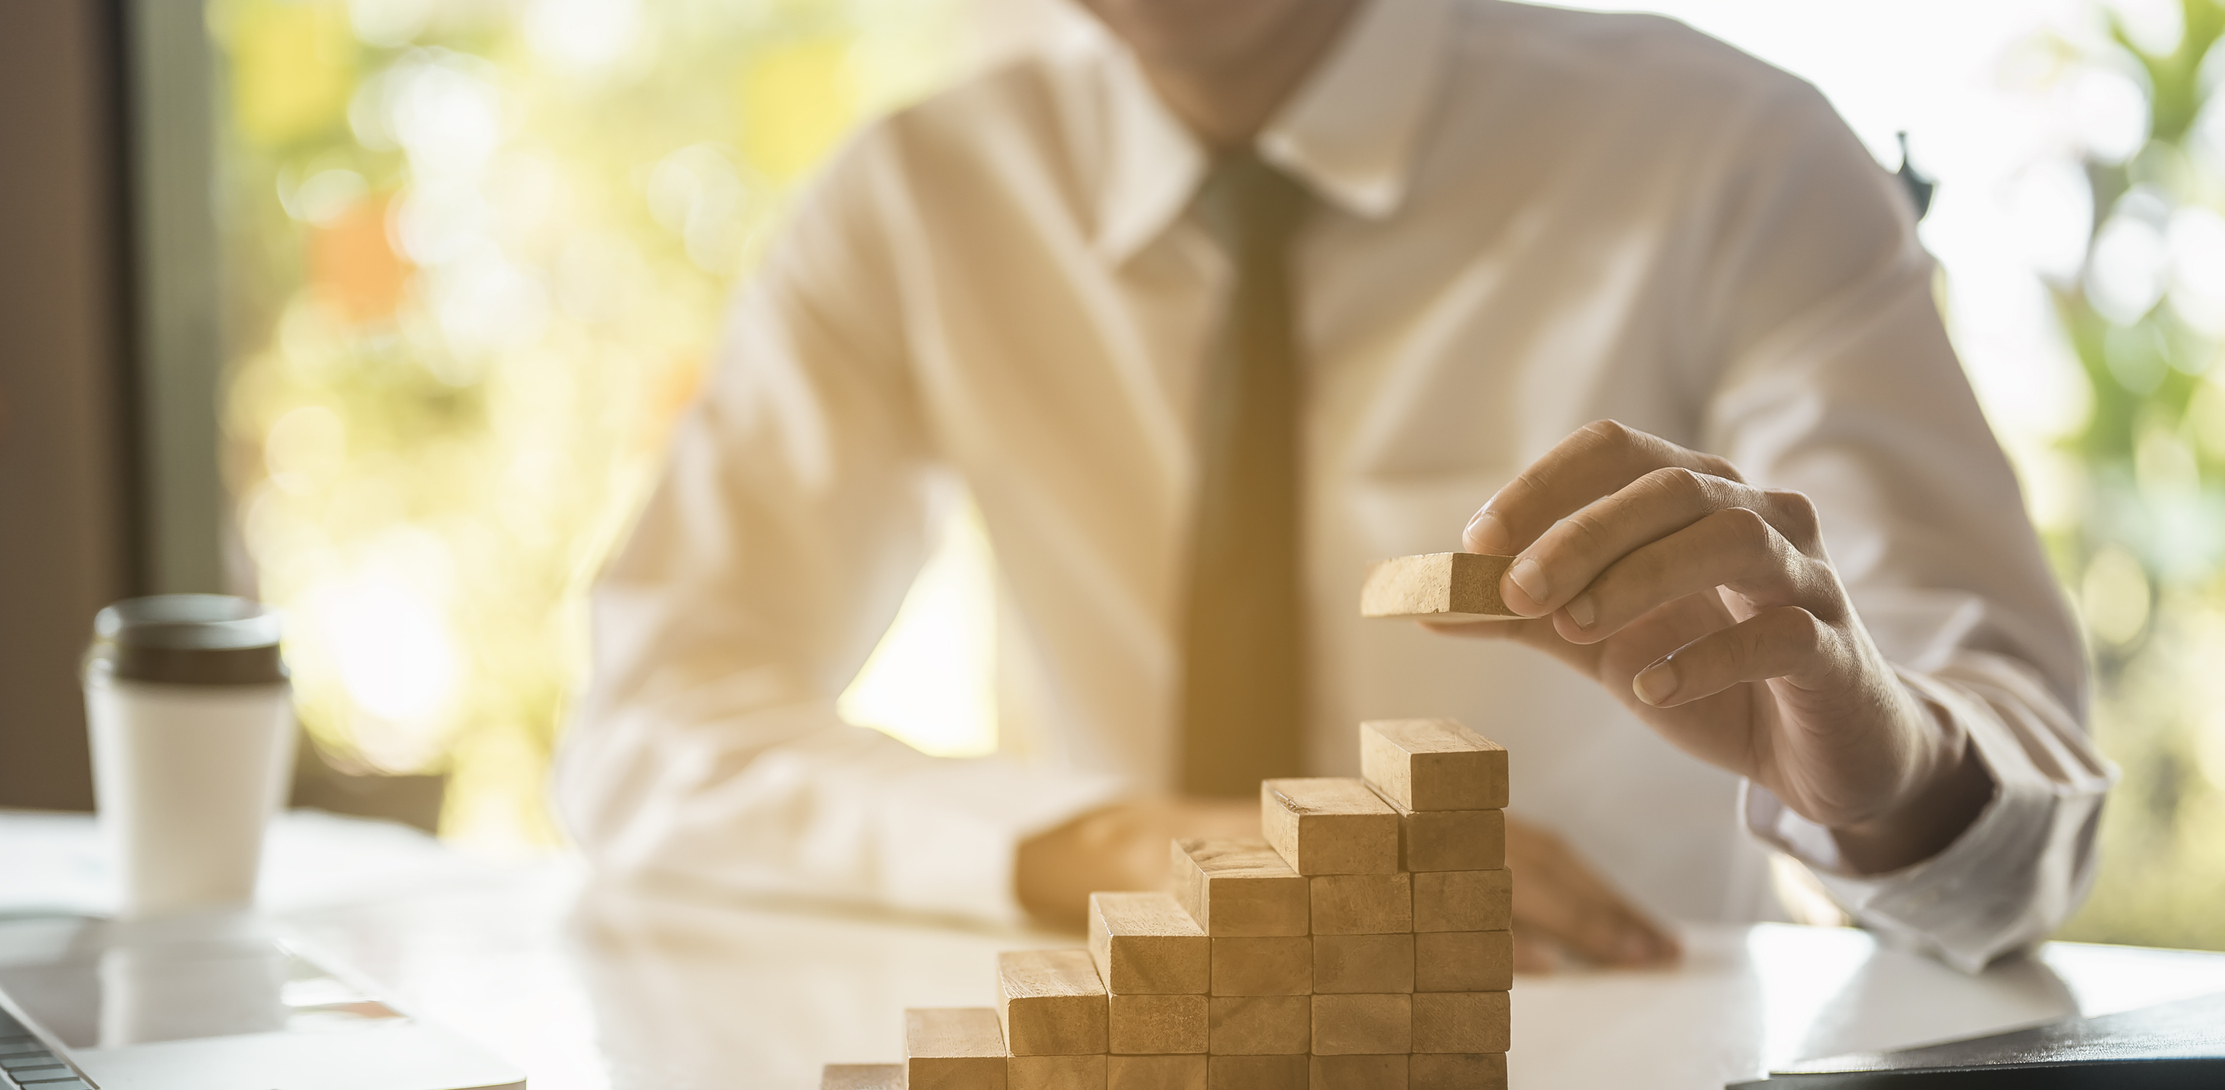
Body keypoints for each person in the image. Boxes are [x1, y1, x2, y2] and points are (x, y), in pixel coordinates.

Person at [555, 0, 2114, 973]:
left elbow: (2010, 855)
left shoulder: (1732, 157)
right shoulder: (914, 202)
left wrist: (1870, 752)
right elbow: (645, 735)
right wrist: (1126, 842)